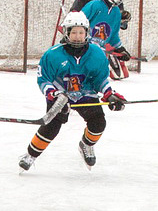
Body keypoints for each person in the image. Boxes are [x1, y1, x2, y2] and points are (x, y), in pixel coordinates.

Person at [18, 11, 126, 172]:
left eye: (81, 32)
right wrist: (53, 94)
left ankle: (86, 145)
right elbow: (44, 79)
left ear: (87, 33)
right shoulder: (52, 54)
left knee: (98, 122)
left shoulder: (97, 53)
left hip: (85, 93)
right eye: (73, 32)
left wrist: (109, 94)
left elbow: (100, 80)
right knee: (51, 127)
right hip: (60, 95)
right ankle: (30, 155)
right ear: (66, 33)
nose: (77, 36)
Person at [80, 0, 131, 79]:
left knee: (97, 76)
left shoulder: (116, 11)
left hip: (99, 52)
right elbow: (78, 22)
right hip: (84, 49)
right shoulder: (94, 5)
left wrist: (120, 49)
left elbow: (113, 35)